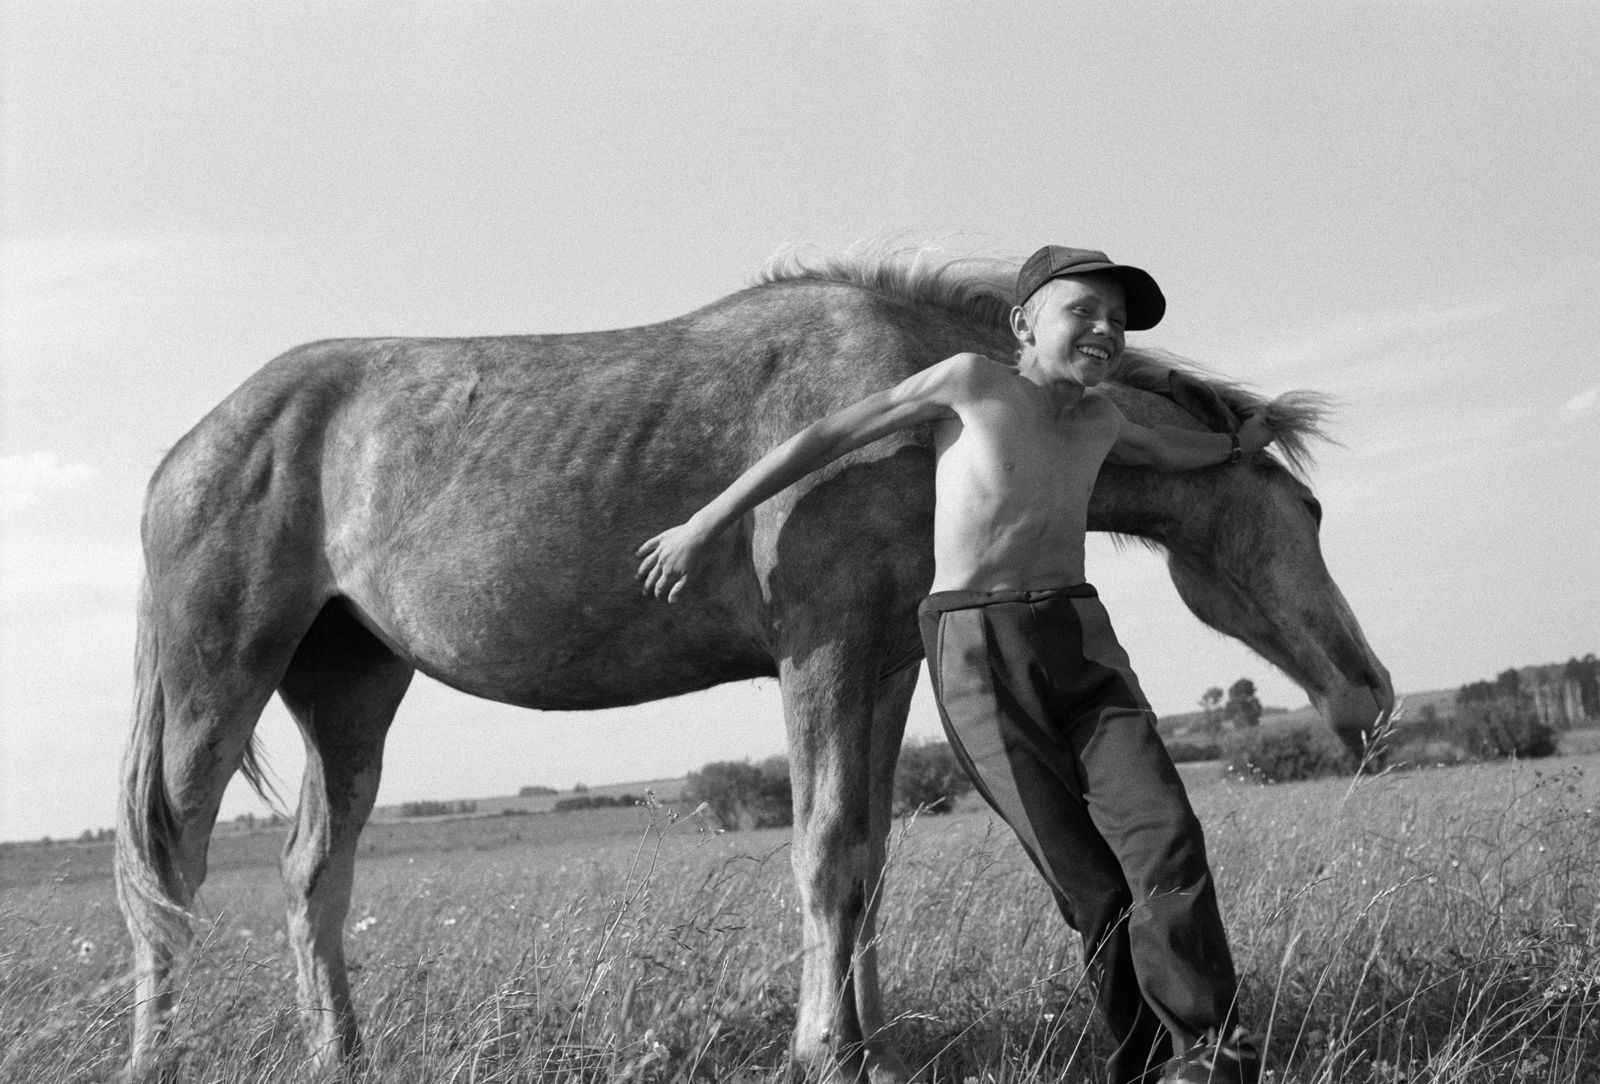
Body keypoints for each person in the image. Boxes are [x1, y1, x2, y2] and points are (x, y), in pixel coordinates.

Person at [636, 245, 1271, 1084]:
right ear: (1024, 324)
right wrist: (705, 522)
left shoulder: (1101, 419)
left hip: (1081, 641)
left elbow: (1163, 453)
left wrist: (1235, 445)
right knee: (1095, 889)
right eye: (1083, 310)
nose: (1105, 329)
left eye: (1117, 320)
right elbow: (825, 437)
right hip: (979, 649)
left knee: (1169, 838)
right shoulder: (971, 382)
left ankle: (1210, 1055)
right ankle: (1144, 1061)